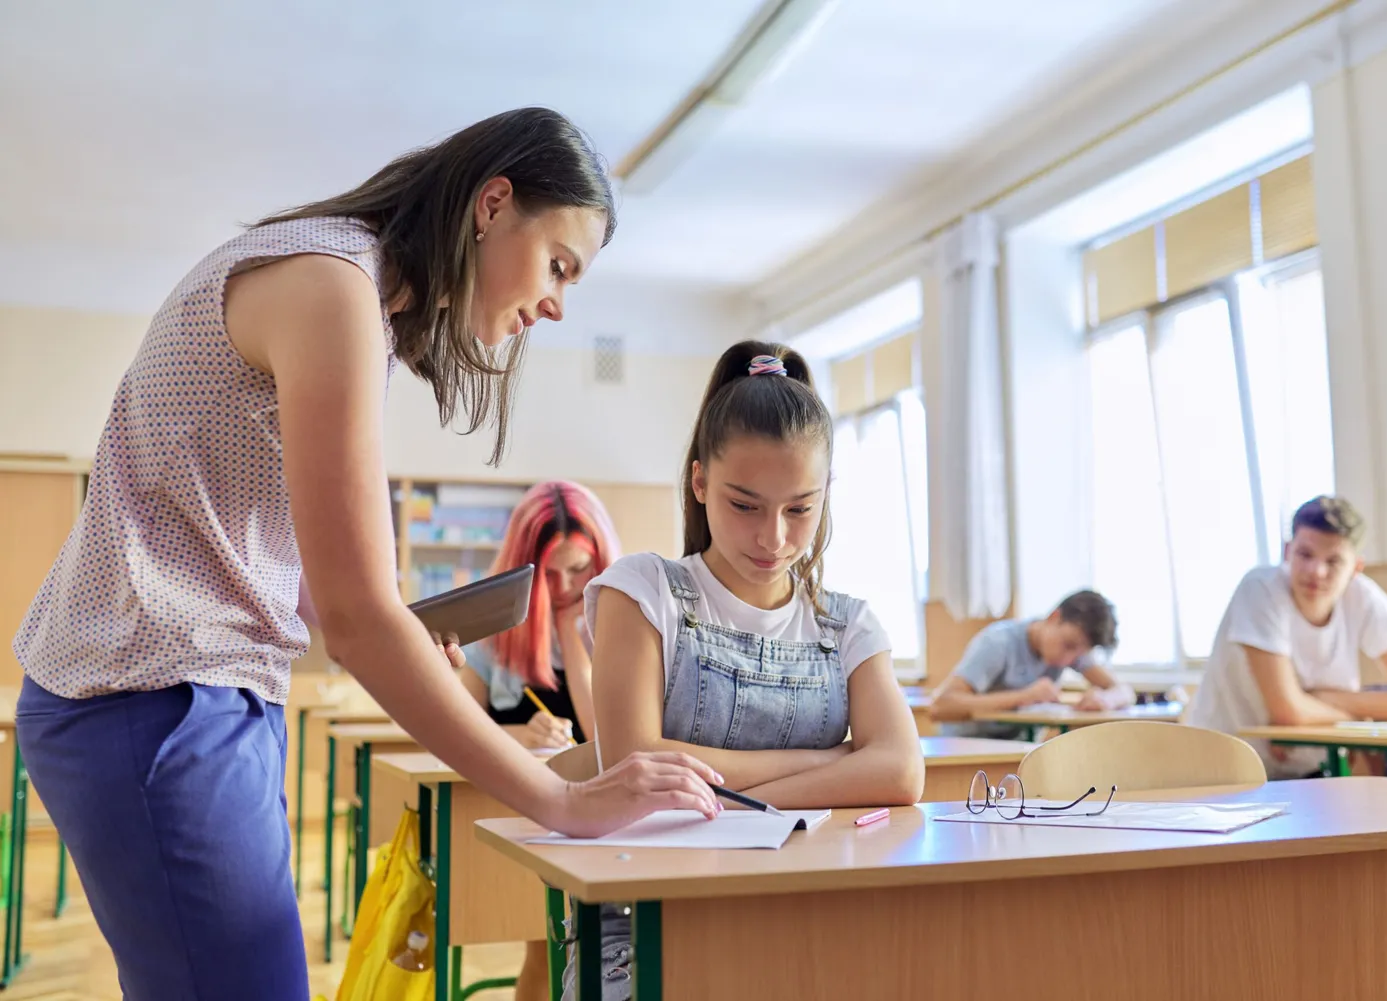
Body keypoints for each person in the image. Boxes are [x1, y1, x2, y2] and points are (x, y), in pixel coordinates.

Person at [10, 108, 720, 1001]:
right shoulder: (333, 288)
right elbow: (353, 619)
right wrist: (563, 800)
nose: (556, 304)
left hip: (174, 693)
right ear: (493, 205)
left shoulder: (350, 289)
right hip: (152, 694)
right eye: (558, 265)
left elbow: (311, 579)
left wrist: (401, 632)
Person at [568, 342, 924, 1000]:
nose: (774, 538)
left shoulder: (849, 622)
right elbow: (636, 765)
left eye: (799, 509)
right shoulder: (641, 590)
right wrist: (828, 764)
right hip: (648, 917)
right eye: (744, 504)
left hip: (815, 906)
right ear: (700, 481)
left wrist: (728, 798)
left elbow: (900, 770)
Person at [1185, 496, 1387, 777]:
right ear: (1287, 551)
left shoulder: (1362, 596)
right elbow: (1288, 711)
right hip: (1227, 770)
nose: (1316, 572)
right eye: (1305, 555)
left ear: (1356, 568)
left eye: (1333, 561)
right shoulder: (1259, 589)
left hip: (1310, 770)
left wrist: (1322, 699)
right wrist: (1360, 718)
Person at [460, 480, 620, 749]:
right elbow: (459, 734)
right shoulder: (491, 633)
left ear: (600, 561)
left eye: (578, 568)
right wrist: (520, 736)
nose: (564, 587)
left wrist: (568, 629)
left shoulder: (624, 629)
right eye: (548, 574)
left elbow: (605, 739)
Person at [930, 590, 1133, 738]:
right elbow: (941, 706)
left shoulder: (1075, 648)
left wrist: (1106, 700)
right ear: (1054, 617)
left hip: (1019, 746)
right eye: (1068, 645)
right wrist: (1025, 697)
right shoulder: (998, 643)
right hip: (970, 744)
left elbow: (1124, 691)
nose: (1068, 660)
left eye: (1079, 653)